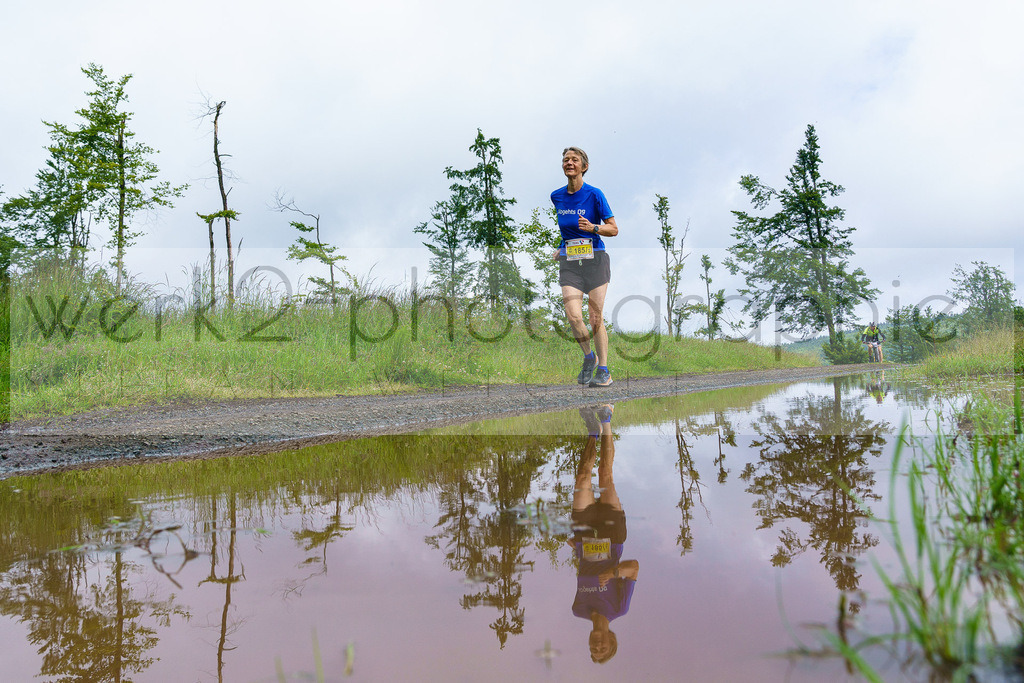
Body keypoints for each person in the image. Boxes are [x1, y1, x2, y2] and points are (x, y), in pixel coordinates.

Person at [570, 404, 638, 663]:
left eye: (593, 650)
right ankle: (606, 420)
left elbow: (583, 570)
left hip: (584, 535)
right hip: (612, 536)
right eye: (603, 649)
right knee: (605, 475)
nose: (596, 646)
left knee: (582, 477)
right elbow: (634, 568)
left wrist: (575, 548)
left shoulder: (578, 610)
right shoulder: (620, 609)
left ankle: (592, 431)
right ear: (612, 641)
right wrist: (613, 573)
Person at [551, 147, 619, 387]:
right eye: (566, 160)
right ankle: (589, 358)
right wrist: (562, 246)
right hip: (570, 262)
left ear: (584, 167)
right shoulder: (556, 196)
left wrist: (594, 228)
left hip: (596, 260)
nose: (569, 163)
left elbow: (613, 228)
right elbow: (566, 229)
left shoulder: (594, 194)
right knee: (573, 315)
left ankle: (604, 369)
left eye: (574, 160)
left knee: (595, 318)